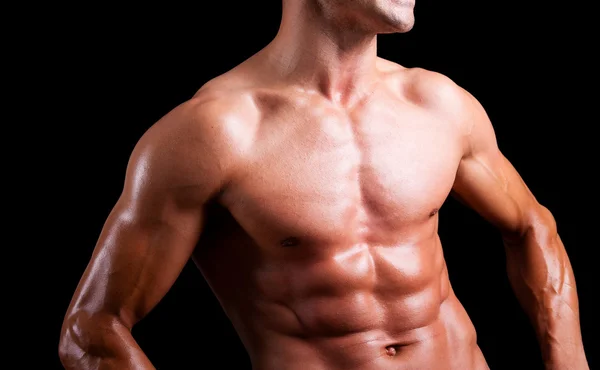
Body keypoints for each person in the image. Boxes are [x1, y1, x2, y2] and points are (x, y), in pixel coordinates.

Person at [58, 1, 589, 369]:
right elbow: (92, 329)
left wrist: (567, 361)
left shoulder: (438, 105)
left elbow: (531, 226)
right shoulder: (214, 134)